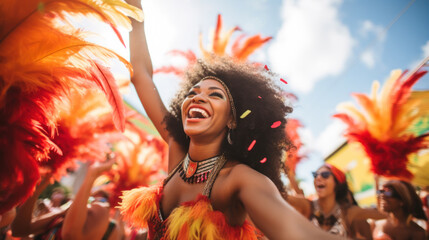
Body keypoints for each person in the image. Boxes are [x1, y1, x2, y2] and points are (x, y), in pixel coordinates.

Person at [120, 1, 346, 239]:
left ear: (232, 120)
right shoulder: (177, 149)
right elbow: (141, 76)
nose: (198, 99)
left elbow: (296, 232)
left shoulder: (238, 178)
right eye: (192, 93)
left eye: (214, 95)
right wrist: (136, 11)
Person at [11, 154, 121, 240]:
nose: (93, 201)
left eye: (102, 200)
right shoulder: (63, 216)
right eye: (91, 198)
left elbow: (70, 235)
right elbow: (19, 230)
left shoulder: (110, 227)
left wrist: (92, 175)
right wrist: (40, 184)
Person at [286, 164, 386, 238]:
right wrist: (287, 170)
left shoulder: (348, 212)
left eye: (325, 174)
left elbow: (383, 214)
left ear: (337, 183)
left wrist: (378, 184)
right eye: (315, 175)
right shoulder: (308, 206)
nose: (318, 178)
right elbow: (280, 195)